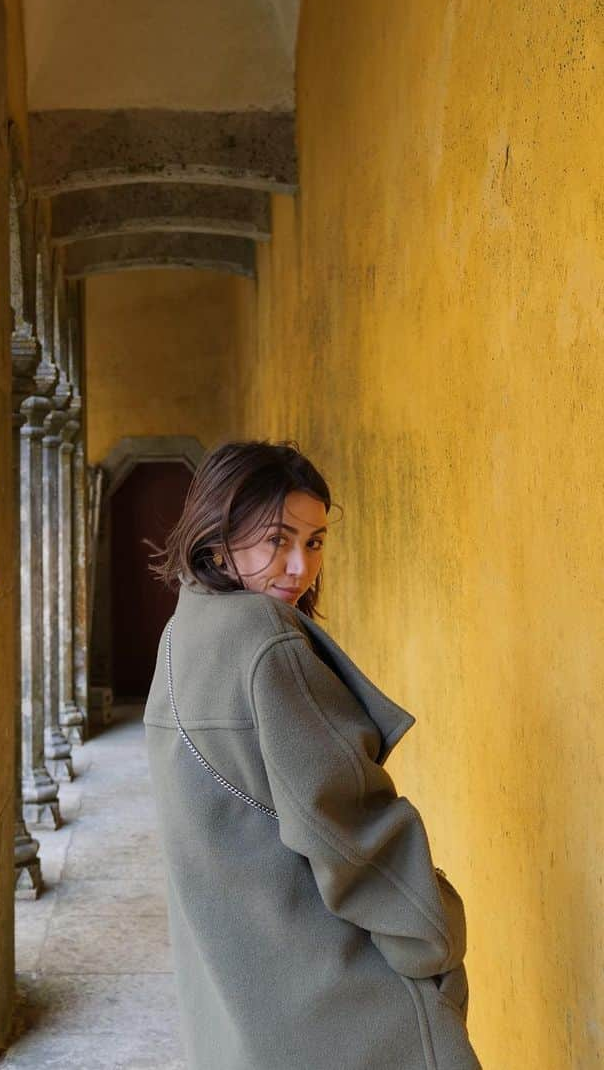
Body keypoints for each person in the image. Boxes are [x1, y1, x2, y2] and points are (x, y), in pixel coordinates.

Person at [143, 441, 482, 1070]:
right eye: (276, 539)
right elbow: (349, 834)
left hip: (246, 997)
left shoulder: (182, 632)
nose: (299, 566)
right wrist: (438, 943)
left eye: (316, 541)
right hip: (340, 1005)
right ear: (217, 537)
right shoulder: (265, 643)